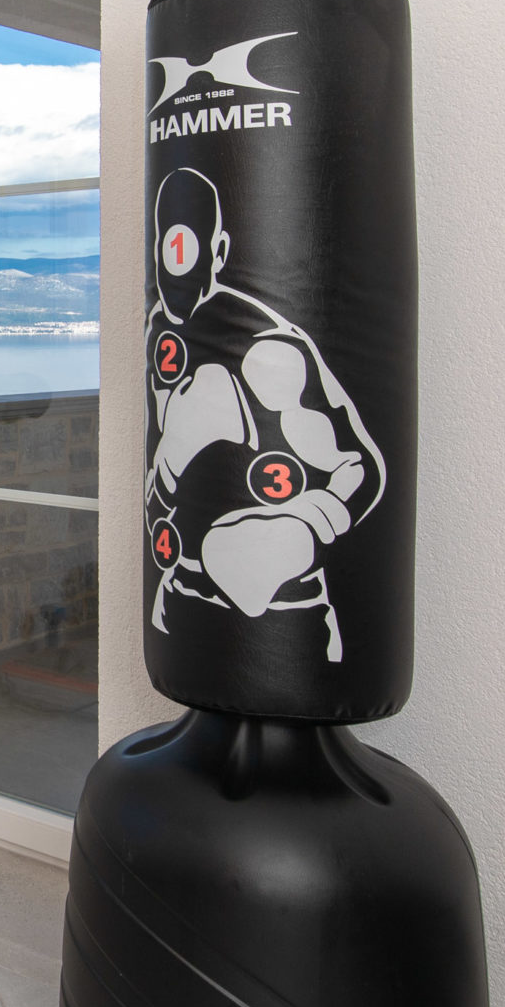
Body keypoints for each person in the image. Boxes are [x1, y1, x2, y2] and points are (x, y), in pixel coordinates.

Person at [146, 168, 384, 664]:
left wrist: (304, 524)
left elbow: (359, 466)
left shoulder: (268, 352)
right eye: (168, 249)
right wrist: (167, 472)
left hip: (282, 620)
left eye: (190, 249)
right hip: (179, 599)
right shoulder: (161, 331)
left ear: (220, 253)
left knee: (213, 386)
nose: (177, 268)